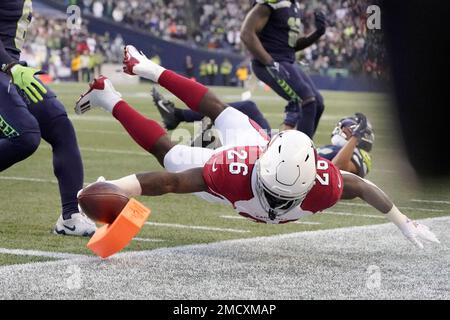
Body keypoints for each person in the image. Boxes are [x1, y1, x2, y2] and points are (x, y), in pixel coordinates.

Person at [75, 45, 439, 248]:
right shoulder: (242, 166)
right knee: (205, 124)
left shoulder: (313, 183)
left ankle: (110, 98)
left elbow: (362, 186)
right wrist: (113, 189)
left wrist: (402, 222)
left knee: (171, 154)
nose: (279, 202)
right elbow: (168, 183)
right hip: (250, 160)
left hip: (238, 187)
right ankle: (142, 69)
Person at [0, 0, 95, 236]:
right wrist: (10, 66)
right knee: (26, 135)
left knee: (59, 125)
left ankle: (70, 216)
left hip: (10, 69)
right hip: (7, 68)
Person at [151, 90, 373, 178]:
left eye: (346, 129)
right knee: (249, 107)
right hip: (281, 153)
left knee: (308, 105)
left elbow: (336, 168)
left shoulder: (359, 156)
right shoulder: (340, 148)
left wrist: (354, 139)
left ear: (358, 135)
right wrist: (289, 124)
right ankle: (185, 123)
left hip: (284, 167)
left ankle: (184, 123)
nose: (340, 131)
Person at [240, 0, 327, 138]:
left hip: (287, 61)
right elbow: (246, 33)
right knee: (307, 100)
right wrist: (270, 63)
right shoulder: (274, 2)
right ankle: (301, 153)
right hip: (268, 62)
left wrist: (317, 34)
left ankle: (303, 149)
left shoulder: (293, 5)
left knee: (318, 103)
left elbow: (290, 45)